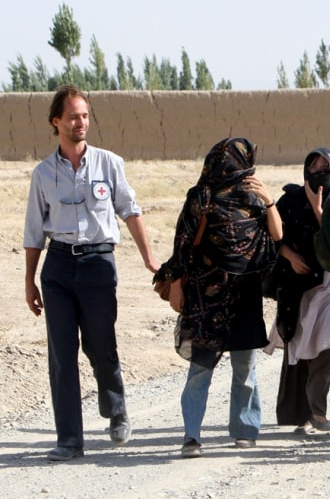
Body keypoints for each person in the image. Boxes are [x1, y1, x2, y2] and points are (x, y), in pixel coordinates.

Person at [23, 84, 160, 462]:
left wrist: (149, 258)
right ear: (57, 122)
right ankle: (69, 439)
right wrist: (29, 280)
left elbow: (130, 211)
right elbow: (34, 232)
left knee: (100, 346)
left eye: (84, 115)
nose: (81, 122)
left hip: (99, 263)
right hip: (59, 268)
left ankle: (116, 409)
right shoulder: (43, 174)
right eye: (73, 117)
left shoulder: (109, 164)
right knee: (61, 355)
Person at [153, 137, 283, 458]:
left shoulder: (255, 196)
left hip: (244, 293)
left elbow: (276, 237)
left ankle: (245, 430)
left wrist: (269, 201)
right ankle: (192, 436)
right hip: (207, 296)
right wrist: (178, 286)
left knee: (245, 369)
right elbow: (182, 245)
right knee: (200, 370)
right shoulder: (202, 196)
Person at [273, 147, 330, 434]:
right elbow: (270, 234)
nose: (318, 173)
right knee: (298, 347)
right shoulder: (289, 200)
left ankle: (318, 411)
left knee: (325, 347)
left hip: (328, 285)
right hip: (295, 287)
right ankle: (297, 413)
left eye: (325, 168)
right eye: (313, 167)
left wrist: (318, 211)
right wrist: (288, 254)